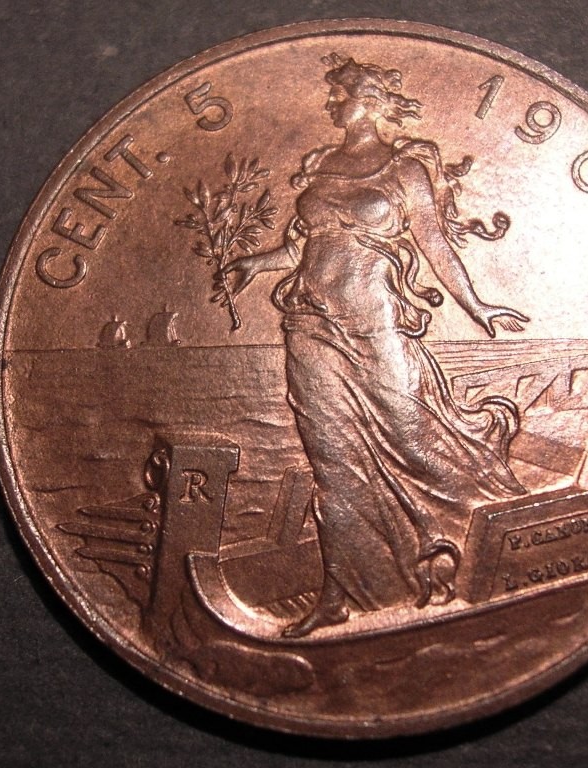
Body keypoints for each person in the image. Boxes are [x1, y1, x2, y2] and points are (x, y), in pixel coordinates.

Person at [224, 54, 528, 637]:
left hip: (375, 324)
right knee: (333, 460)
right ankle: (342, 593)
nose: (331, 104)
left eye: (340, 95)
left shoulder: (404, 170)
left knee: (415, 439)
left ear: (369, 101)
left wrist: (477, 306)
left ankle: (479, 544)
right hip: (312, 325)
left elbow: (435, 245)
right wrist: (252, 263)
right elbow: (302, 247)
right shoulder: (321, 167)